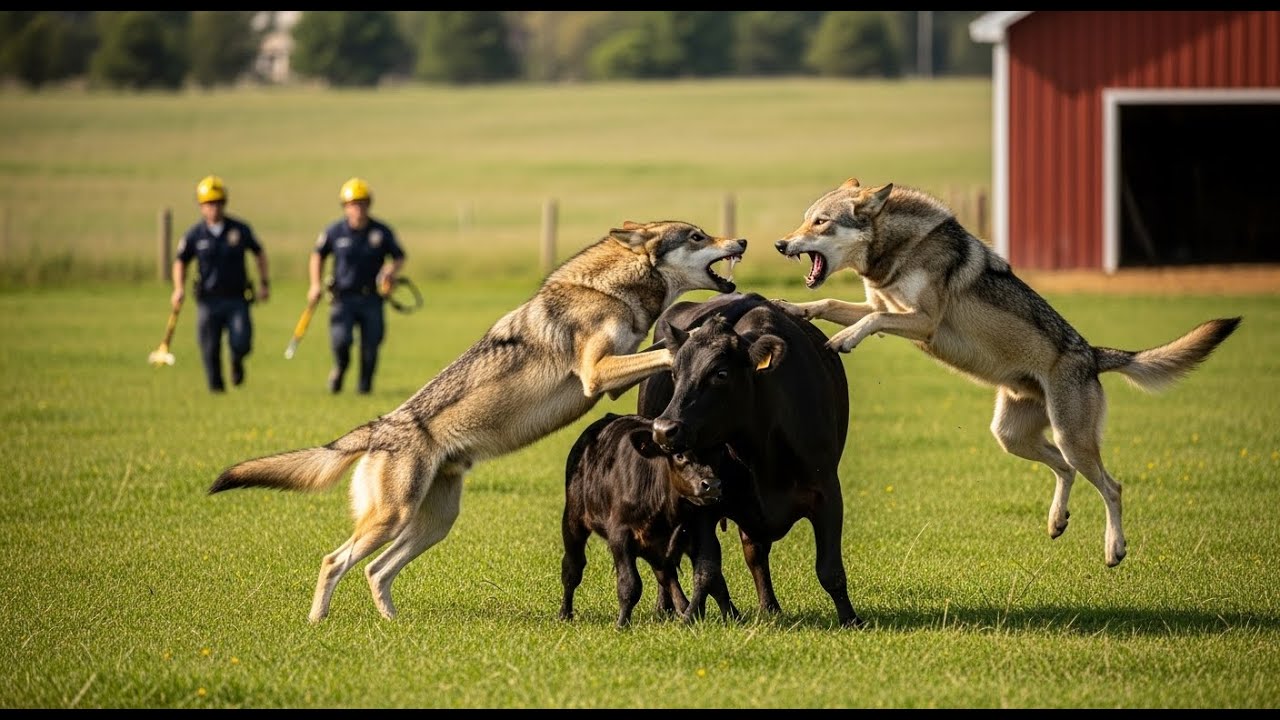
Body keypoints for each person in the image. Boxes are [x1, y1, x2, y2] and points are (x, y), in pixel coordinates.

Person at [171, 175, 270, 393]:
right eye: (208, 203)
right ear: (201, 206)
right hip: (208, 300)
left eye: (217, 202)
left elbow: (259, 252)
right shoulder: (195, 235)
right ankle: (216, 390)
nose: (213, 208)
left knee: (242, 342)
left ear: (224, 203)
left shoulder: (239, 230)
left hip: (237, 299)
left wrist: (264, 283)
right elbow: (181, 261)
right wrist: (178, 288)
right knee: (209, 348)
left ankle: (236, 361)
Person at [309, 177, 406, 395]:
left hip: (372, 298)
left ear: (369, 204)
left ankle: (364, 388)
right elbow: (318, 255)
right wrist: (315, 284)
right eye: (353, 204)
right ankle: (340, 369)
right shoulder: (334, 232)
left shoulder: (381, 232)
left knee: (371, 346)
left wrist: (390, 270)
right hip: (343, 298)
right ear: (345, 207)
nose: (358, 208)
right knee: (342, 341)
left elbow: (399, 256)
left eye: (362, 203)